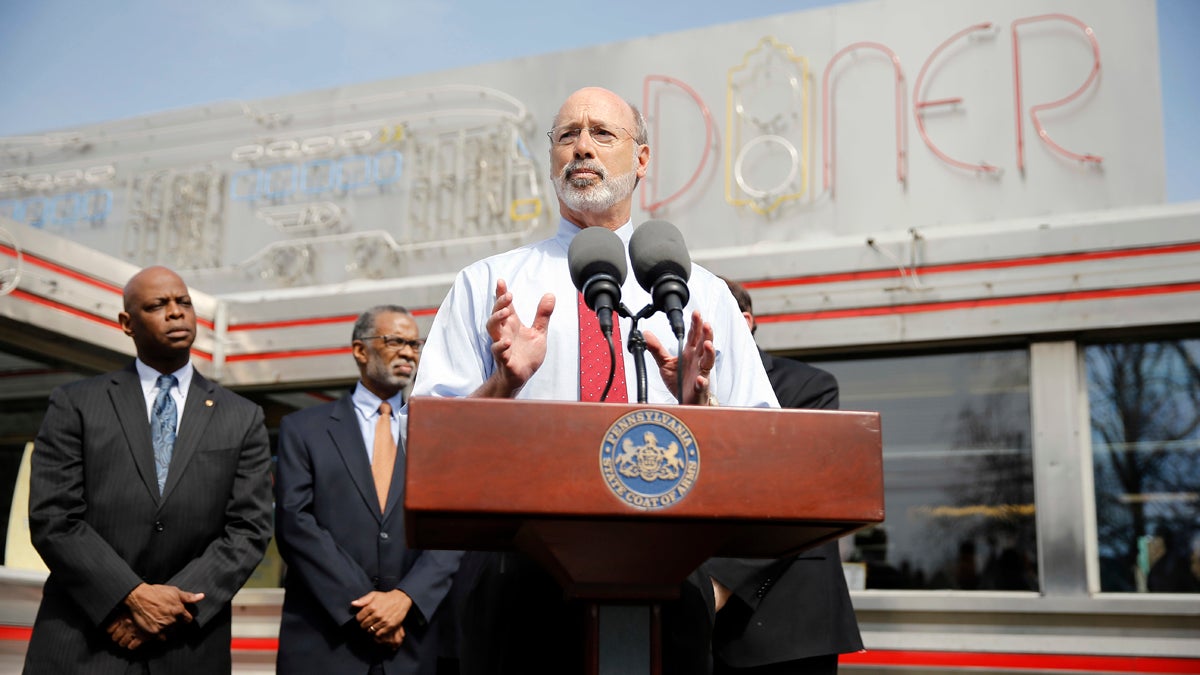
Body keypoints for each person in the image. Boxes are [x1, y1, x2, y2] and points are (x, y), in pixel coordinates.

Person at [410, 86, 777, 675]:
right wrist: (501, 387)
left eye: (602, 134)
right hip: (519, 584)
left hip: (668, 577)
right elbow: (428, 442)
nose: (582, 148)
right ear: (551, 156)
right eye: (567, 135)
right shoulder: (490, 285)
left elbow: (766, 448)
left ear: (642, 158)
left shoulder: (698, 294)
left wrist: (700, 405)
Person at [24, 265, 274, 674]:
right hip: (84, 639)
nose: (176, 313)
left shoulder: (242, 417)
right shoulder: (76, 403)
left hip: (187, 644)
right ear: (127, 323)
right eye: (158, 305)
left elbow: (248, 529)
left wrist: (170, 605)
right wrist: (129, 596)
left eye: (184, 303)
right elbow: (54, 518)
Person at [274, 305, 462, 674]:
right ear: (360, 350)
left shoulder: (440, 434)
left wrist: (406, 598)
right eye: (395, 341)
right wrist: (366, 607)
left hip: (413, 641)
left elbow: (453, 528)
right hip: (326, 640)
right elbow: (295, 525)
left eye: (415, 344)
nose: (408, 352)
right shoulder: (303, 429)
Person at [714, 277, 863, 673]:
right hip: (693, 629)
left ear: (743, 321)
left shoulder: (807, 387)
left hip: (785, 630)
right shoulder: (668, 384)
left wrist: (718, 582)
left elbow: (800, 493)